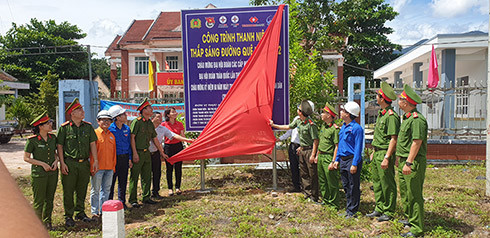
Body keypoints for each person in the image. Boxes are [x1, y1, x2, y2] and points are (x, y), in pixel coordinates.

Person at [57, 98, 98, 227]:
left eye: (82, 110)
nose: (82, 112)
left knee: (82, 189)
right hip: (70, 163)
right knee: (68, 190)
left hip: (84, 163)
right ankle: (68, 215)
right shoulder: (64, 128)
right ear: (72, 113)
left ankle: (80, 212)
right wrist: (62, 163)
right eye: (79, 110)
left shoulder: (88, 127)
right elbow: (59, 146)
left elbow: (92, 145)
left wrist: (95, 160)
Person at [270, 100, 319, 202]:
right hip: (301, 150)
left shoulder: (311, 124)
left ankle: (314, 196)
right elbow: (288, 127)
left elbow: (315, 140)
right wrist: (274, 125)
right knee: (304, 173)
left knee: (312, 174)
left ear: (301, 112)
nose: (297, 110)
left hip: (309, 151)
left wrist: (313, 155)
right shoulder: (298, 121)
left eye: (299, 109)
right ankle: (307, 194)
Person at [397, 84, 427, 237]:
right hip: (404, 161)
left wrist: (408, 162)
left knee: (414, 194)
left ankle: (417, 228)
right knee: (406, 192)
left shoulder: (417, 120)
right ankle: (411, 218)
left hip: (413, 162)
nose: (398, 101)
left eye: (400, 99)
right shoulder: (407, 118)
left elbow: (416, 142)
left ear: (406, 102)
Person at [366, 82, 400, 222]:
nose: (376, 97)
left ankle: (389, 210)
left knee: (387, 183)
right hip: (378, 152)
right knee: (378, 182)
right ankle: (379, 208)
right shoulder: (382, 114)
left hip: (385, 153)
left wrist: (387, 157)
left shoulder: (391, 116)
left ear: (383, 98)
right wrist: (374, 151)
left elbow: (393, 139)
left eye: (378, 95)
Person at [129, 98, 168, 207]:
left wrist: (161, 152)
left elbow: (155, 139)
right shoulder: (136, 122)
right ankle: (133, 200)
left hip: (147, 153)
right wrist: (134, 153)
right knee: (134, 176)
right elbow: (132, 138)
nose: (151, 109)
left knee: (146, 176)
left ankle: (146, 197)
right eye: (149, 108)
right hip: (138, 152)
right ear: (143, 110)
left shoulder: (149, 124)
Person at [23, 111, 58, 229]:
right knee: (39, 200)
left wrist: (56, 161)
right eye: (48, 123)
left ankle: (47, 221)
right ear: (40, 126)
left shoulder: (53, 138)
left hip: (52, 173)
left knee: (50, 198)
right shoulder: (32, 140)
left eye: (50, 122)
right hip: (39, 174)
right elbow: (26, 158)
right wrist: (42, 164)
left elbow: (55, 153)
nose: (50, 125)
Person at [333, 101, 364, 218]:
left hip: (352, 160)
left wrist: (355, 164)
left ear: (348, 114)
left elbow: (358, 147)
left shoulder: (357, 129)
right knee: (346, 185)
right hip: (343, 160)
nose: (341, 112)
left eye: (343, 111)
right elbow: (341, 145)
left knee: (353, 186)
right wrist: (337, 159)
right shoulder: (344, 127)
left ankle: (353, 211)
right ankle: (348, 209)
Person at [90, 110, 117, 220]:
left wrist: (113, 166)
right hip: (98, 168)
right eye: (103, 120)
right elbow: (91, 152)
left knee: (106, 190)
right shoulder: (94, 134)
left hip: (109, 167)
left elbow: (114, 152)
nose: (106, 122)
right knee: (95, 190)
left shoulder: (111, 135)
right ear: (98, 121)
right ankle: (94, 212)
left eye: (108, 120)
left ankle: (103, 210)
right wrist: (92, 166)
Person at [316, 103, 340, 209]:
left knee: (331, 181)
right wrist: (317, 155)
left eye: (323, 113)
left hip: (328, 157)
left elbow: (337, 146)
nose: (321, 115)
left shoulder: (334, 129)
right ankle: (325, 200)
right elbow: (321, 142)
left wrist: (333, 161)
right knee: (322, 180)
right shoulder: (323, 126)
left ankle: (334, 203)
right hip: (321, 156)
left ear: (329, 115)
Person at [108, 105, 132, 209]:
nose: (126, 116)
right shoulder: (110, 129)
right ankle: (109, 202)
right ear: (117, 117)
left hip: (125, 157)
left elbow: (129, 144)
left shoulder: (127, 128)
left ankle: (122, 201)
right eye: (123, 114)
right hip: (114, 158)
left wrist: (130, 158)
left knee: (123, 180)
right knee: (111, 181)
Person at [162, 107, 185, 196]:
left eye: (175, 111)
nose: (175, 113)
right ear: (168, 115)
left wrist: (187, 144)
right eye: (173, 112)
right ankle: (170, 188)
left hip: (178, 146)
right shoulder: (164, 125)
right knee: (169, 169)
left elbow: (182, 136)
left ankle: (178, 187)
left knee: (178, 168)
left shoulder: (179, 124)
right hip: (168, 147)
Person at [277, 116, 301, 193]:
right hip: (293, 145)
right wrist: (280, 138)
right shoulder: (296, 118)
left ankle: (306, 188)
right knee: (293, 167)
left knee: (304, 168)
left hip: (301, 147)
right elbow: (290, 131)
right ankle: (296, 186)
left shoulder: (308, 122)